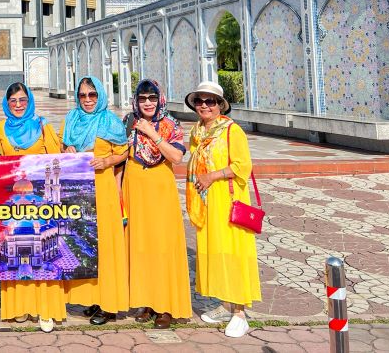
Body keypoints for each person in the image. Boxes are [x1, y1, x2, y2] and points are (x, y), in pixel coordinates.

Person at [185, 81, 261, 338]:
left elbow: (242, 166)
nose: (204, 106)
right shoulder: (197, 131)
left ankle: (239, 313)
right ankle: (225, 304)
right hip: (207, 203)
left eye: (210, 101)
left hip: (227, 202)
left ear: (221, 105)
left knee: (233, 253)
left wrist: (212, 176)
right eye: (200, 101)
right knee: (214, 253)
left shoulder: (232, 131)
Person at [0, 82, 66, 332]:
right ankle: (20, 307)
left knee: (44, 258)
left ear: (30, 100)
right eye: (13, 101)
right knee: (14, 254)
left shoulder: (43, 126)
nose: (18, 105)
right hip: (14, 207)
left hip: (41, 203)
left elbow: (57, 159)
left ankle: (46, 309)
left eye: (22, 100)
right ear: (7, 103)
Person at [60, 76, 129, 325]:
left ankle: (110, 304)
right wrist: (67, 149)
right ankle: (93, 298)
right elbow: (64, 145)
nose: (88, 100)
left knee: (107, 245)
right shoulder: (72, 119)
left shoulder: (109, 120)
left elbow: (123, 152)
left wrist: (107, 161)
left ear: (100, 95)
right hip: (79, 190)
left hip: (102, 187)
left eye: (92, 95)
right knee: (86, 244)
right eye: (83, 95)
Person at [122, 79, 191, 329]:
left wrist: (152, 133)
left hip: (160, 191)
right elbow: (121, 153)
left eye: (152, 98)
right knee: (142, 246)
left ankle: (166, 306)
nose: (147, 103)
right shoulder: (129, 121)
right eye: (143, 99)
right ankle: (148, 302)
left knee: (163, 247)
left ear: (160, 98)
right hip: (135, 189)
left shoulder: (170, 124)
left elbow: (176, 156)